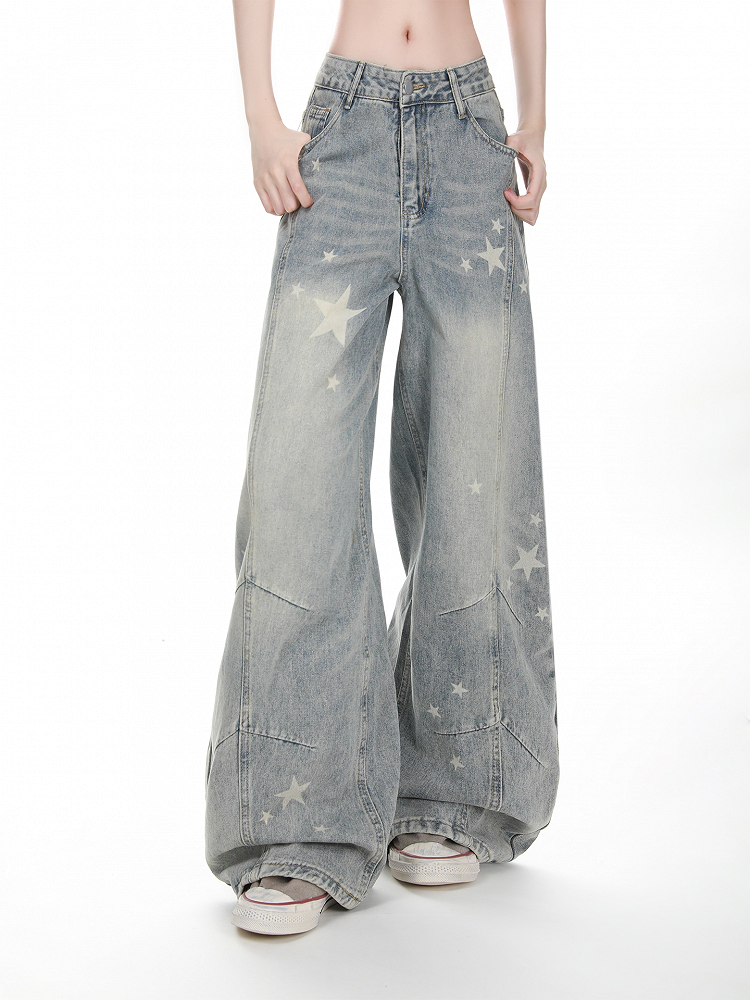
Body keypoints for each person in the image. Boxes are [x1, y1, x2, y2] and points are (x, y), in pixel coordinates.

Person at [205, 0, 559, 936]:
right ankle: (296, 821)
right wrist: (260, 116)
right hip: (346, 136)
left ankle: (458, 789)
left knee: (476, 467)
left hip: (471, 138)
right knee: (299, 478)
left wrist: (535, 114)